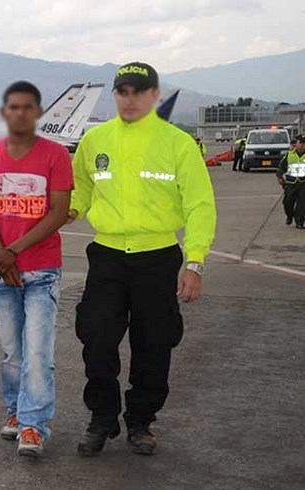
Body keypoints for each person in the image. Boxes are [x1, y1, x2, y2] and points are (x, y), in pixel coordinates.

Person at [68, 62, 216, 457]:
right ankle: (102, 418)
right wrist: (65, 210)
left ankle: (141, 421)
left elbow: (201, 205)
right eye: (122, 91)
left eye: (138, 91)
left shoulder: (177, 143)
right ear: (115, 95)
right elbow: (80, 188)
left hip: (158, 257)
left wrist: (195, 262)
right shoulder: (94, 140)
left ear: (155, 95)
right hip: (108, 257)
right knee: (96, 337)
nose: (129, 99)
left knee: (154, 343)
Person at [0, 81, 73, 458]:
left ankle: (34, 425)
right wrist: (1, 255)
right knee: (12, 353)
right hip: (3, 273)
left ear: (39, 112)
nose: (20, 113)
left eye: (28, 107)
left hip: (42, 271)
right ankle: (15, 411)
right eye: (13, 107)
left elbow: (58, 212)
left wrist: (13, 251)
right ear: (4, 112)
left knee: (38, 352)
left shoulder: (56, 155)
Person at [277, 135, 305, 228]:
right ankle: (289, 215)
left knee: (302, 203)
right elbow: (282, 166)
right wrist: (280, 176)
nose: (302, 145)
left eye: (303, 144)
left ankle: (299, 222)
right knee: (287, 202)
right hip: (291, 183)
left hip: (303, 183)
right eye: (299, 143)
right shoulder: (289, 154)